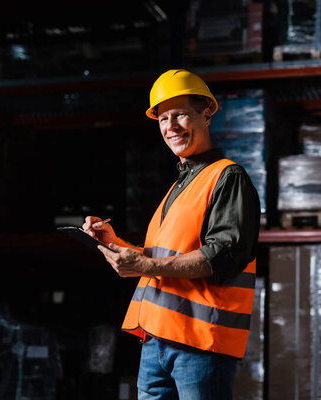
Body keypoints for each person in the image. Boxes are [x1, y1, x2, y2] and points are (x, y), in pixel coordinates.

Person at [83, 69, 260, 400]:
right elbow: (161, 256)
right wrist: (112, 241)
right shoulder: (181, 185)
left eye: (181, 115)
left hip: (200, 344)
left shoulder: (228, 177)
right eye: (164, 118)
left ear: (206, 115)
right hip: (156, 342)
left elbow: (224, 254)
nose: (171, 127)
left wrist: (146, 267)